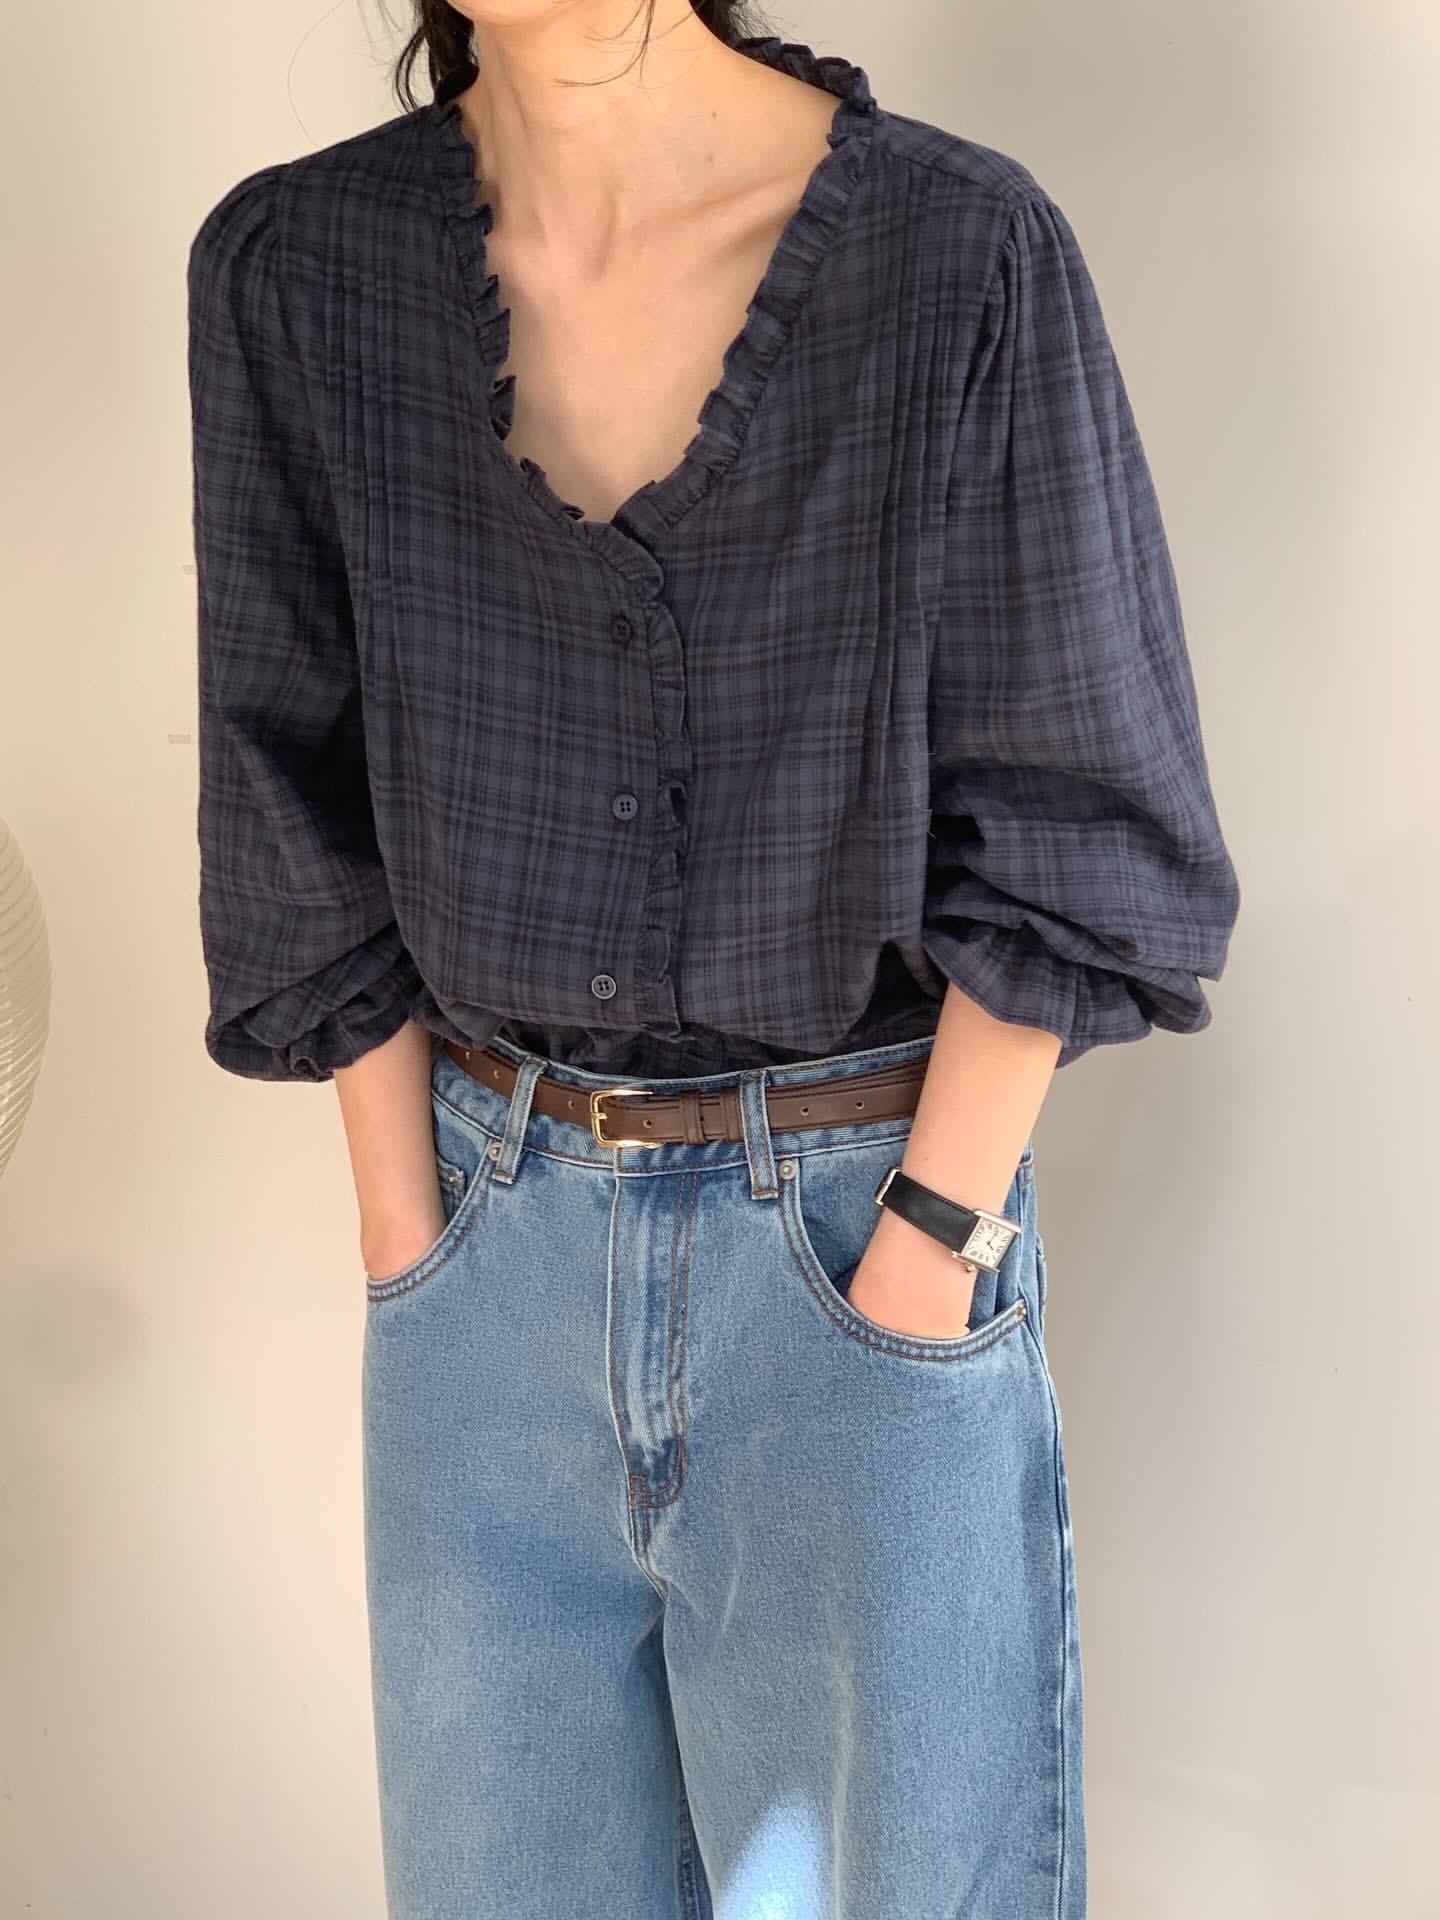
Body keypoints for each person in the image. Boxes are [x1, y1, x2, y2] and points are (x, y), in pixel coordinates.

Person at [185, 4, 1240, 1914]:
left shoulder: (958, 254)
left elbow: (1085, 829)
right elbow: (288, 788)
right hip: (484, 1269)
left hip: (860, 1243)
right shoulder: (296, 269)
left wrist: (925, 1253)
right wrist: (415, 1248)